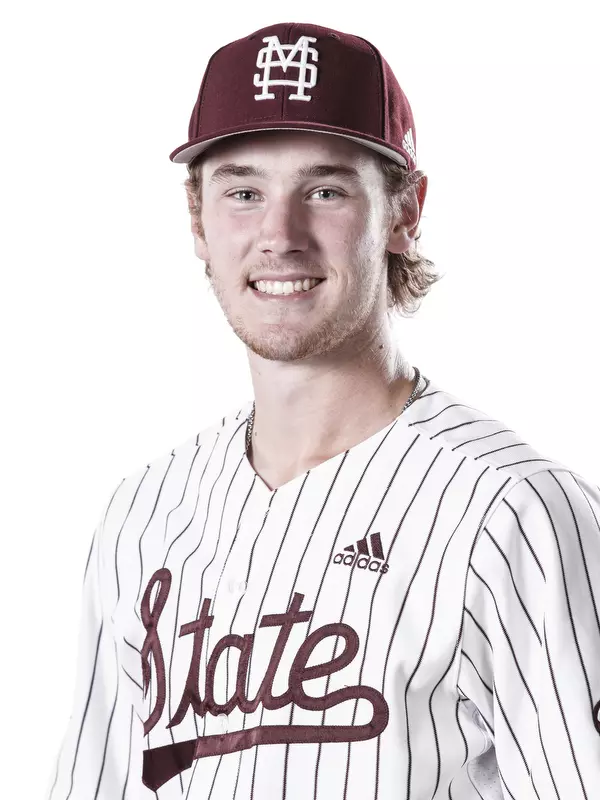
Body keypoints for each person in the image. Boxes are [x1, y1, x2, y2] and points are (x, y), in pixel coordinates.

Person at [45, 21, 600, 800]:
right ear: (199, 222)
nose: (280, 235)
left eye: (326, 190)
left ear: (404, 213)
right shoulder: (143, 514)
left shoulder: (513, 512)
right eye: (243, 192)